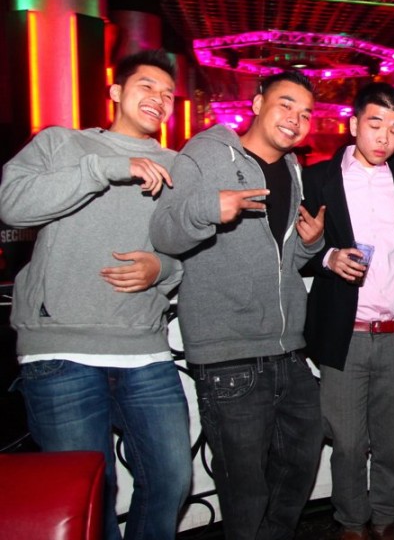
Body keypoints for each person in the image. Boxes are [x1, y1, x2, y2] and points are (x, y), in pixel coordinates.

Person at [0, 49, 191, 540]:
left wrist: (163, 269)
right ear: (116, 91)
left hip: (145, 350)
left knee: (172, 481)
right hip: (61, 349)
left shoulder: (179, 166)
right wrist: (103, 169)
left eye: (168, 94)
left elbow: (193, 251)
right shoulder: (62, 143)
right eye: (147, 86)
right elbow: (11, 205)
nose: (160, 99)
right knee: (87, 498)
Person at [149, 70, 325, 540]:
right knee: (244, 495)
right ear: (258, 102)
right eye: (286, 104)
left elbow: (282, 261)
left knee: (301, 463)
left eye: (305, 113)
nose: (295, 119)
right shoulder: (206, 152)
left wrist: (311, 244)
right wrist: (210, 208)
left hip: (287, 351)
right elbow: (164, 232)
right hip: (230, 357)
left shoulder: (292, 169)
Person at [301, 81, 394, 540]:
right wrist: (327, 257)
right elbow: (291, 248)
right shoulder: (317, 179)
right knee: (348, 443)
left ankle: (388, 518)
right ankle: (352, 523)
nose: (384, 138)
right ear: (354, 124)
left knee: (391, 441)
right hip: (345, 333)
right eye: (376, 124)